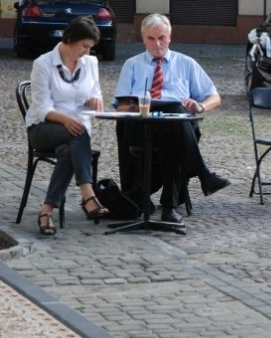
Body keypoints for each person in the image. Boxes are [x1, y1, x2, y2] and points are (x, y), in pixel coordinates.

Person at [114, 14, 230, 224]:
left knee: (175, 124)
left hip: (175, 126)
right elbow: (121, 104)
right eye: (151, 39)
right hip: (143, 126)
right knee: (177, 125)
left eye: (162, 38)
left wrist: (200, 105)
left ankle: (170, 205)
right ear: (143, 39)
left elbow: (215, 97)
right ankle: (200, 178)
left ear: (170, 37)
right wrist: (141, 103)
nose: (157, 44)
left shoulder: (186, 63)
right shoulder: (132, 64)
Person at [26, 16, 108, 235]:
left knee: (68, 152)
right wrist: (65, 119)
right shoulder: (43, 64)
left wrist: (94, 99)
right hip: (43, 127)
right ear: (70, 39)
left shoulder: (90, 63)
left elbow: (95, 91)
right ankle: (88, 194)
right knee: (77, 133)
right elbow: (42, 108)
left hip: (74, 134)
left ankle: (46, 212)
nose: (87, 52)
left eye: (90, 48)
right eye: (84, 46)